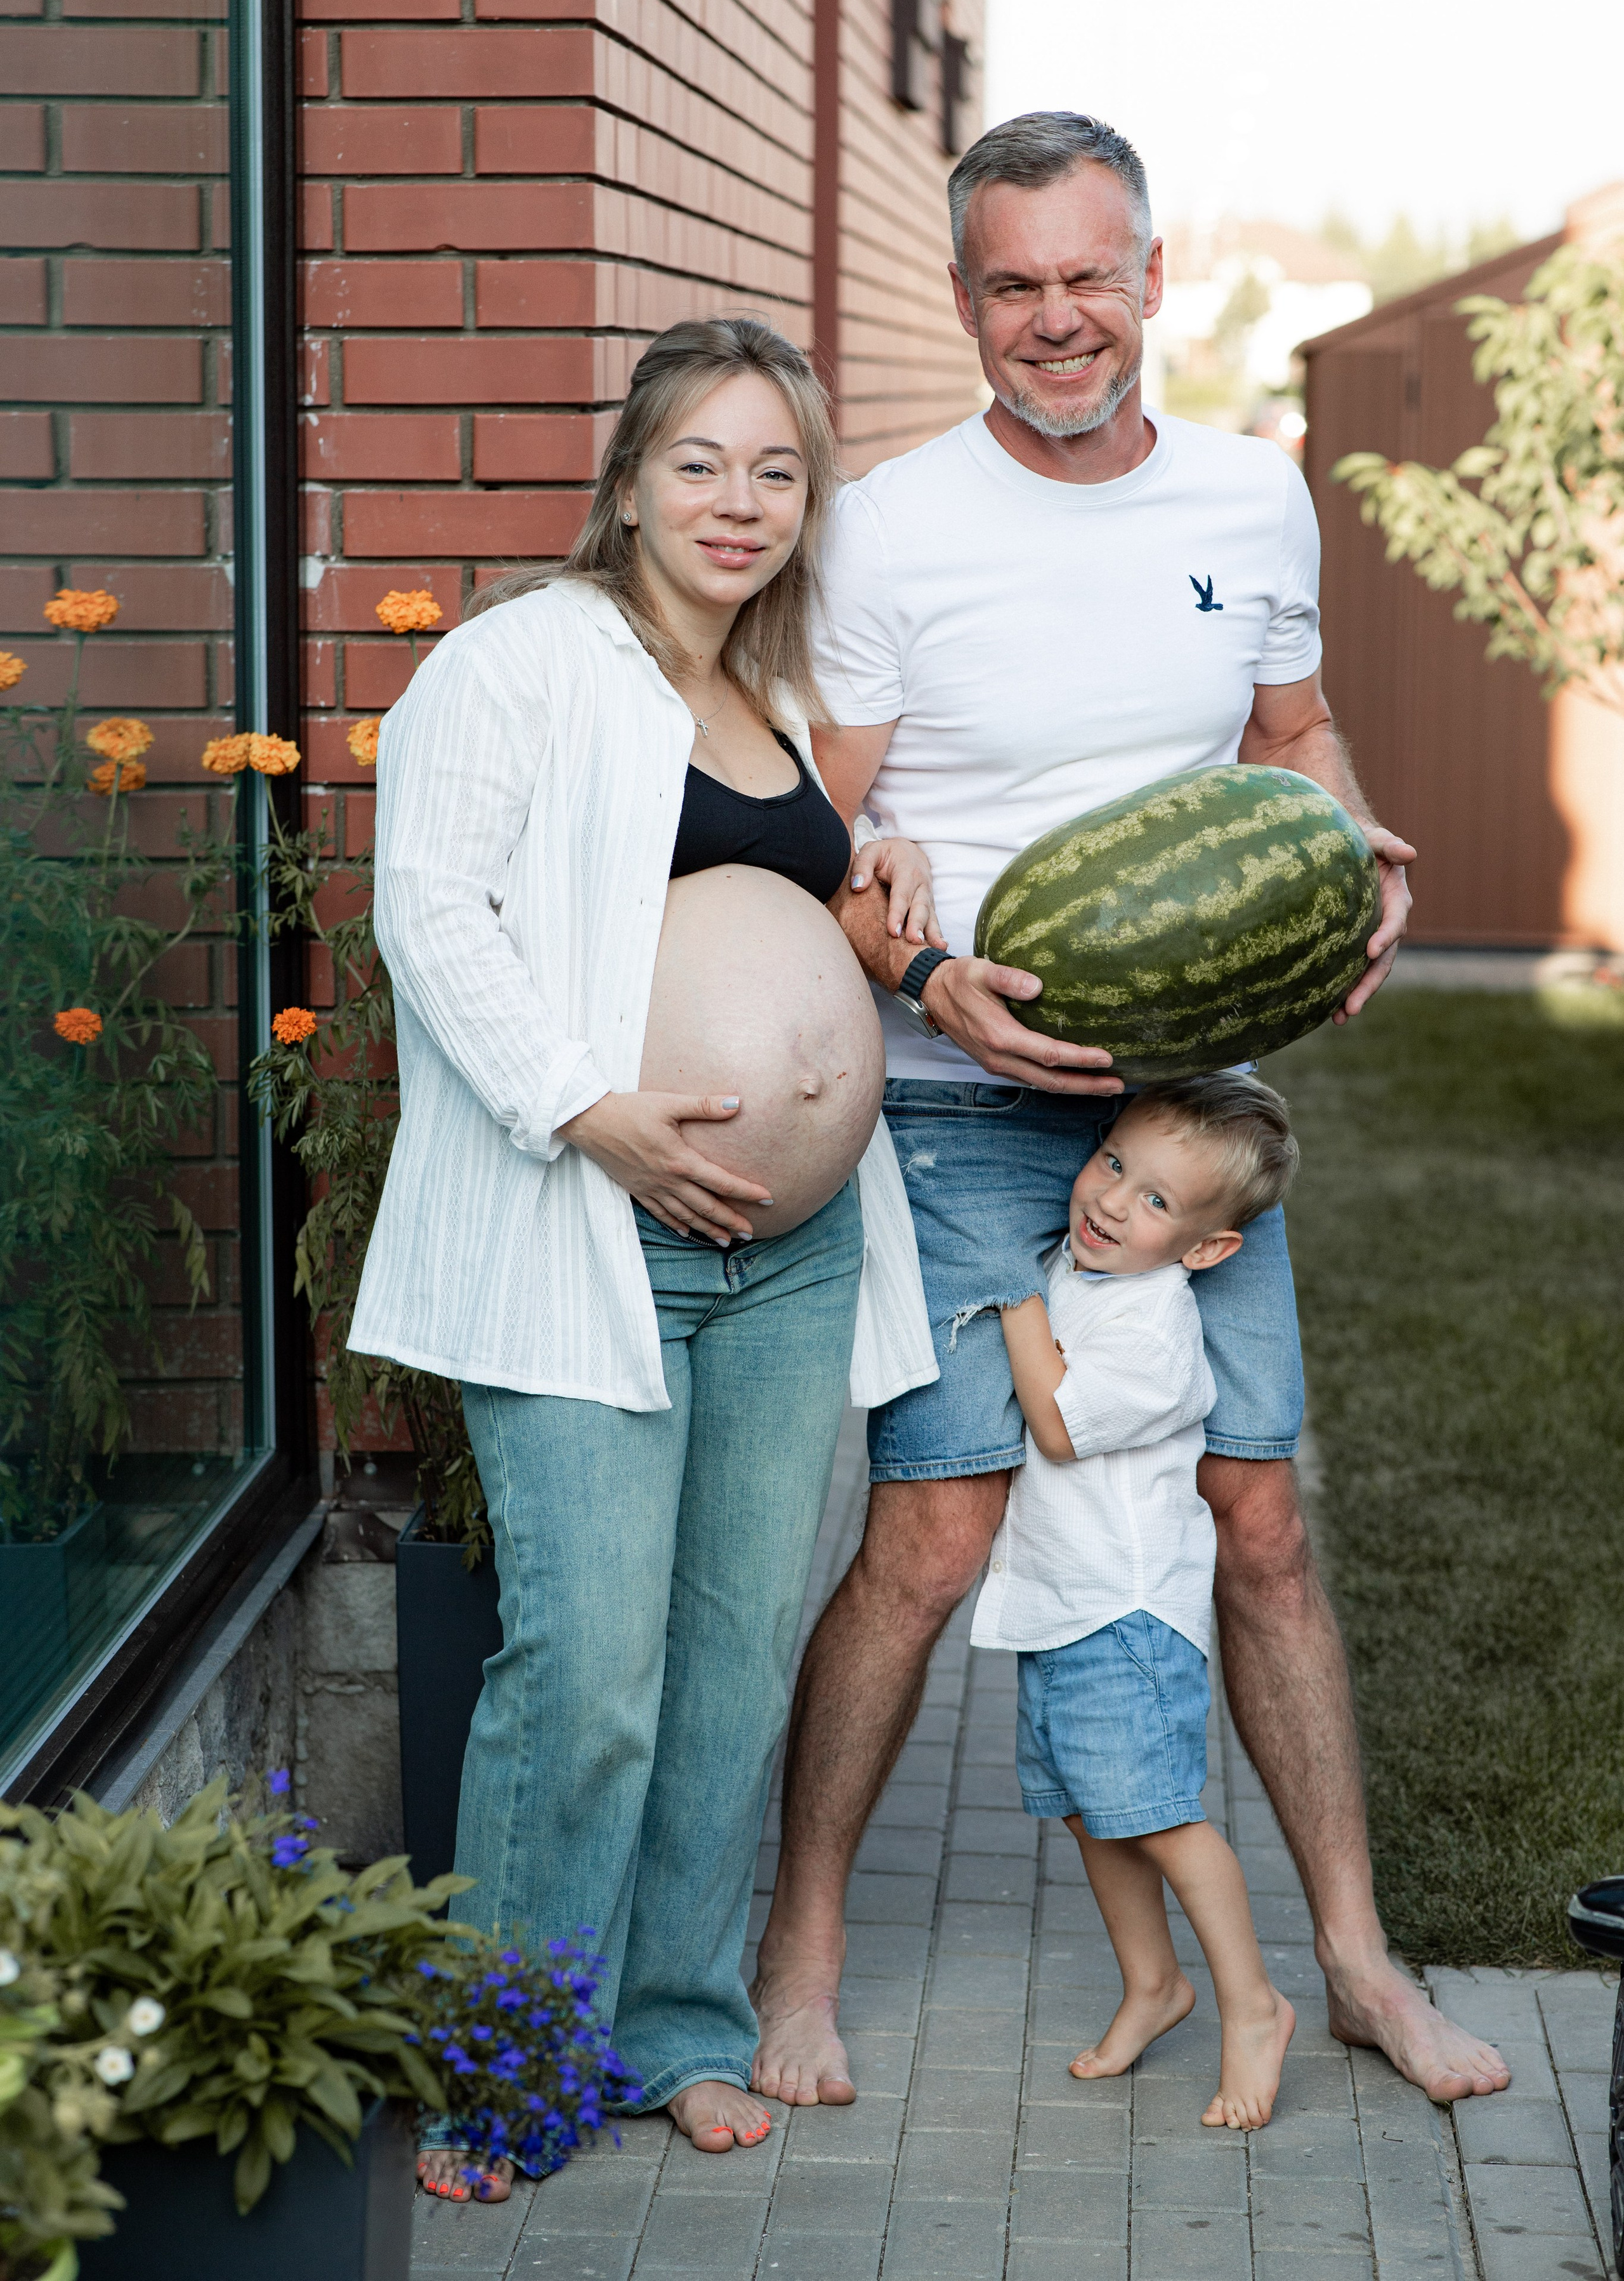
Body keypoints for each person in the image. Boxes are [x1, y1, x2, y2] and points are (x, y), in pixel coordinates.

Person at [749, 110, 1512, 2108]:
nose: (1059, 319)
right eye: (1017, 284)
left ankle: (1351, 1962)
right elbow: (825, 828)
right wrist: (922, 976)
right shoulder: (891, 529)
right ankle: (800, 1961)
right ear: (967, 303)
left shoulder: (1259, 502)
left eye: (1094, 275)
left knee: (1257, 1516)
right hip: (955, 1086)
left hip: (1192, 1096)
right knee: (935, 1530)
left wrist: (1357, 847)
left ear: (1156, 279)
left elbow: (1291, 734)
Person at [348, 318, 940, 2199]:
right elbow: (429, 913)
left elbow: (776, 891)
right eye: (703, 463)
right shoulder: (519, 664)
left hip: (792, 1255)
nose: (741, 503)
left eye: (778, 471)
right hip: (586, 1233)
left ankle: (678, 2025)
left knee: (734, 1656)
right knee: (585, 1670)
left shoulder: (769, 686)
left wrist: (885, 865)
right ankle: (507, 2067)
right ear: (627, 481)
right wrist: (588, 1110)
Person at [977, 1076, 1300, 2131]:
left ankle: (1254, 2005)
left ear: (1205, 1251)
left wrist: (1013, 1295)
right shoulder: (1085, 1270)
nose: (1114, 1202)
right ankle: (1156, 1984)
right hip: (1062, 1605)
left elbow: (1063, 1423)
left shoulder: (1157, 1329)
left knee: (1160, 1817)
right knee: (1091, 1807)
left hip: (1127, 1615)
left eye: (1157, 1202)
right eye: (1114, 1164)